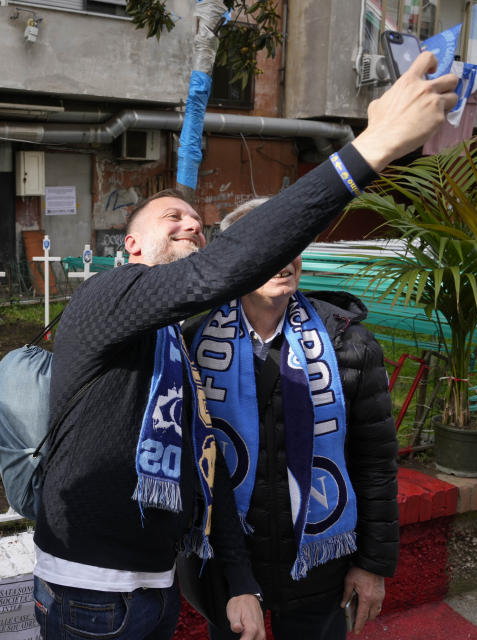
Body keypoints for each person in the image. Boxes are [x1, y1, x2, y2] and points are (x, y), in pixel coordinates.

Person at [32, 52, 456, 640]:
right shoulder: (111, 296)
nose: (191, 226)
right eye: (172, 216)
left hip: (160, 585)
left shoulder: (175, 342)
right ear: (129, 243)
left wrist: (243, 578)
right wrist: (373, 146)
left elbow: (210, 475)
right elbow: (223, 270)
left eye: (200, 225)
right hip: (92, 593)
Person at [186, 197, 397, 639]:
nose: (284, 258)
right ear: (234, 258)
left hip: (320, 571)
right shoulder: (194, 346)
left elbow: (375, 462)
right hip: (230, 570)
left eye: (292, 242)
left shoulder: (349, 346)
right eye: (268, 244)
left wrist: (372, 564)